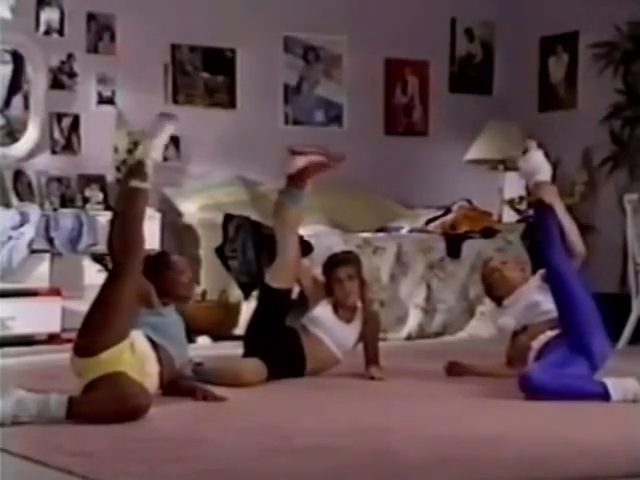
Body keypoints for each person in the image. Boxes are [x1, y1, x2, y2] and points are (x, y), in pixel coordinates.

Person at [0, 159, 226, 426]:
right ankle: (137, 177)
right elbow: (128, 256)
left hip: (123, 378)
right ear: (156, 278)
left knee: (135, 403)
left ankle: (31, 404)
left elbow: (172, 375)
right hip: (110, 350)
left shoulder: (177, 322)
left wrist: (187, 386)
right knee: (127, 264)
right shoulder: (145, 294)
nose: (192, 281)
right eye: (182, 275)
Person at [443, 146, 640, 402]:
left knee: (555, 262)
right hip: (569, 356)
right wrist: (469, 368)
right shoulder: (509, 321)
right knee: (531, 381)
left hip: (579, 328)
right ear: (497, 291)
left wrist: (556, 204)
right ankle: (623, 390)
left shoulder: (541, 282)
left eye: (505, 261)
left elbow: (577, 251)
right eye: (497, 270)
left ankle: (541, 183)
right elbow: (512, 368)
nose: (508, 265)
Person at [198, 147, 384, 387]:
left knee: (247, 375)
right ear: (330, 285)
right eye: (338, 281)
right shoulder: (320, 296)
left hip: (284, 364)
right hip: (272, 329)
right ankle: (298, 182)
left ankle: (196, 370)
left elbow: (372, 361)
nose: (345, 286)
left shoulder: (368, 318)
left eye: (351, 278)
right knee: (288, 251)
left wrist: (374, 368)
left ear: (361, 281)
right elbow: (296, 259)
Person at [392, 66, 425, 133]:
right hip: (406, 106)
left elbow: (412, 94)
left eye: (408, 71)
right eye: (405, 72)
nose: (406, 73)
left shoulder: (413, 80)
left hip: (409, 105)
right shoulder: (402, 82)